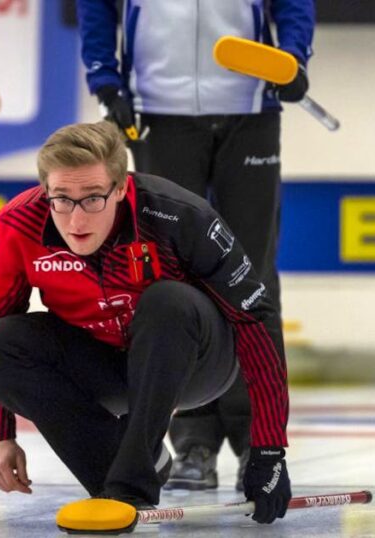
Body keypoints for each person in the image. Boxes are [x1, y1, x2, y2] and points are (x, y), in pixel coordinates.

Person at [0, 121, 291, 527]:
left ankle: (129, 486)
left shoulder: (177, 215)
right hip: (104, 363)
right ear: (45, 190)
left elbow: (254, 318)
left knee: (167, 301)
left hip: (198, 361)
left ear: (121, 188)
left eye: (93, 198)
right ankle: (127, 469)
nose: (76, 218)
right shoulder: (19, 225)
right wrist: (1, 436)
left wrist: (269, 449)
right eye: (61, 199)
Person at [76, 0, 314, 491]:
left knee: (253, 276)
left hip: (250, 108)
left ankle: (259, 440)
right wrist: (105, 78)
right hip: (159, 112)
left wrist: (292, 58)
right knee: (170, 278)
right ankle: (193, 441)